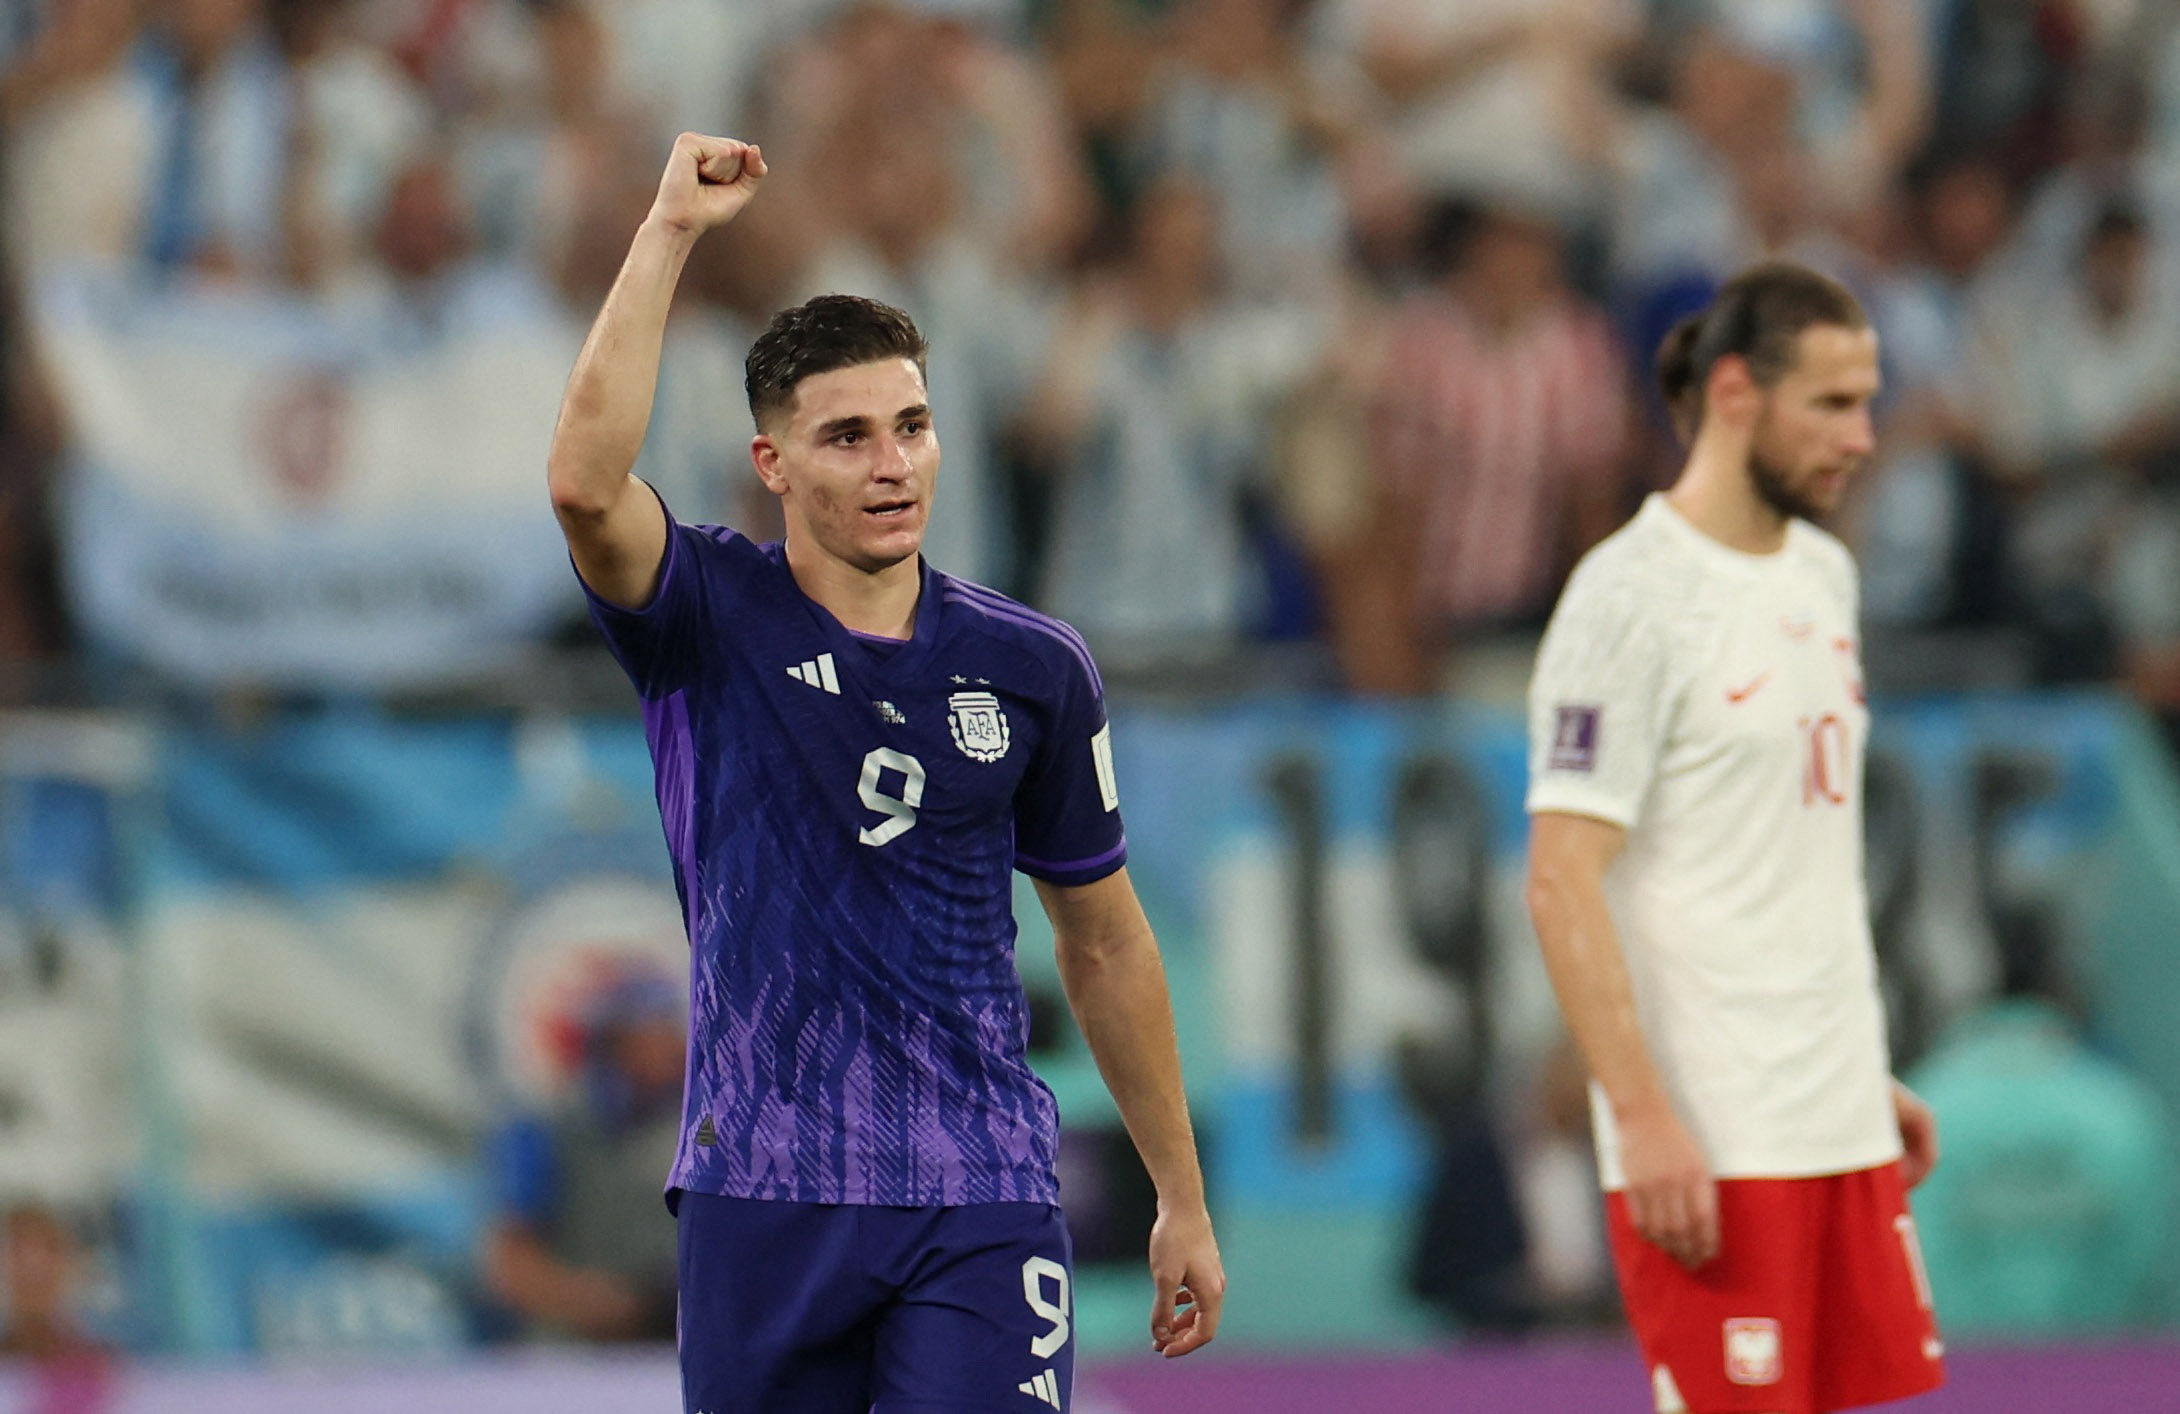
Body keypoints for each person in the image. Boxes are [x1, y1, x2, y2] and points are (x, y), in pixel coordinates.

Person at [544, 133, 1223, 1413]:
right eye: (847, 437)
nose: (891, 462)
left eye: (910, 427)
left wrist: (1178, 1192)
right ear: (772, 465)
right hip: (762, 1186)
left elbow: (1107, 945)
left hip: (977, 1189)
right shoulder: (704, 612)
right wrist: (671, 231)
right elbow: (584, 485)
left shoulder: (1031, 667)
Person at [1523, 262, 1945, 1414]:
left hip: (1834, 1114)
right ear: (1732, 394)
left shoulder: (1821, 574)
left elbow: (1783, 855)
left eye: (1867, 400)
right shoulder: (1628, 597)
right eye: (1829, 403)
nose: (1860, 437)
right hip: (1712, 1137)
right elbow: (1561, 880)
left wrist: (1861, 1071)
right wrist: (1643, 1111)